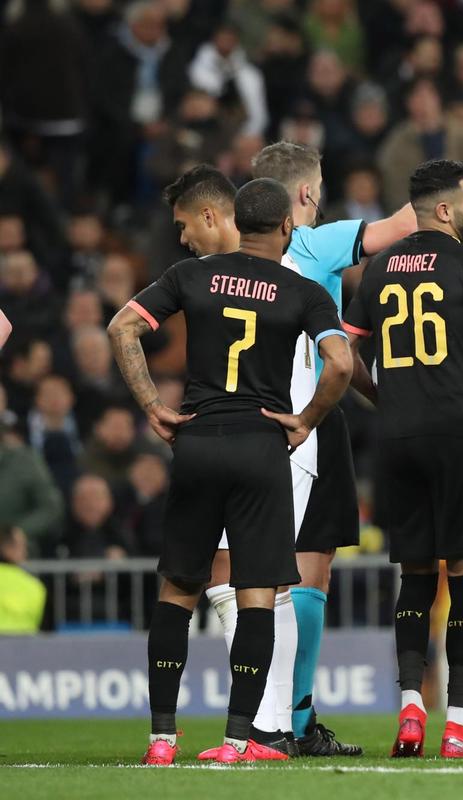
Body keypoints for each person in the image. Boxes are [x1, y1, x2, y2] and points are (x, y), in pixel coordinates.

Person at [181, 120, 463, 757]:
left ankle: (273, 719)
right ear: (301, 199)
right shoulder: (318, 245)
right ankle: (284, 721)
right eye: (318, 192)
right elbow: (415, 225)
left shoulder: (220, 267)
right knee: (302, 577)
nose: (322, 203)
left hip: (238, 426)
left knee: (259, 575)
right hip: (309, 424)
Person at [108, 178, 352, 765]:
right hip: (260, 447)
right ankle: (241, 739)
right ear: (287, 229)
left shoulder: (190, 276)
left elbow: (123, 327)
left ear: (237, 223)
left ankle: (162, 740)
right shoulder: (301, 290)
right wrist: (305, 420)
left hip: (197, 440)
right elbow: (340, 362)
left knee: (179, 589)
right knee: (257, 595)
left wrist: (152, 407)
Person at [342, 159, 463, 759]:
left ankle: (411, 708)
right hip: (458, 433)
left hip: (396, 438)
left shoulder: (379, 266)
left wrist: (380, 394)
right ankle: (459, 723)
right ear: (446, 210)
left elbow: (343, 352)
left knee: (414, 574)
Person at [0, 524, 46, 634]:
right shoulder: (35, 586)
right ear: (7, 548)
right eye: (22, 546)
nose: (26, 552)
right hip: (24, 647)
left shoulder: (35, 586)